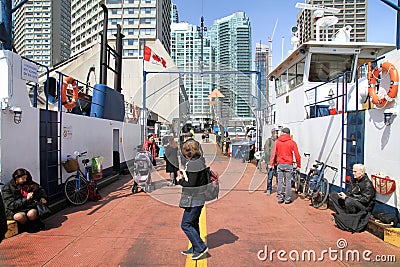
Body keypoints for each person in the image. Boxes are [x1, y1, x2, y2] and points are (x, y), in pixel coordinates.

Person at [177, 139, 209, 260]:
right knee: (194, 223)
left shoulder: (193, 164)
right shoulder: (200, 161)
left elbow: (191, 184)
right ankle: (195, 247)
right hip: (200, 197)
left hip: (194, 198)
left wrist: (180, 179)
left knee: (186, 224)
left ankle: (200, 247)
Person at [2, 168, 47, 232]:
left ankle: (35, 223)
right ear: (16, 178)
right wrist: (26, 199)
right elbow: (11, 205)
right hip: (14, 210)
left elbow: (40, 189)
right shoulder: (7, 188)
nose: (25, 180)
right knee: (20, 216)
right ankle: (26, 227)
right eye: (23, 178)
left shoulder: (28, 183)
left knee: (32, 213)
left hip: (28, 207)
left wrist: (43, 197)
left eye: (25, 178)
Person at [269, 127, 301, 204]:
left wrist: (271, 164)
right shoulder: (292, 142)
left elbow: (273, 154)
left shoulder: (277, 142)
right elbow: (297, 155)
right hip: (289, 164)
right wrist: (298, 165)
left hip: (280, 164)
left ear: (282, 133)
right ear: (289, 134)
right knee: (288, 182)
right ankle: (287, 199)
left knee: (280, 181)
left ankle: (280, 198)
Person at [263, 128, 279, 195]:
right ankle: (269, 189)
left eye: (277, 133)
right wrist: (269, 161)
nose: (277, 134)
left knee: (279, 177)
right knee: (270, 176)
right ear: (272, 133)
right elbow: (266, 151)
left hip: (278, 162)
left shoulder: (279, 141)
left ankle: (279, 189)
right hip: (270, 162)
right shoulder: (268, 141)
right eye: (276, 133)